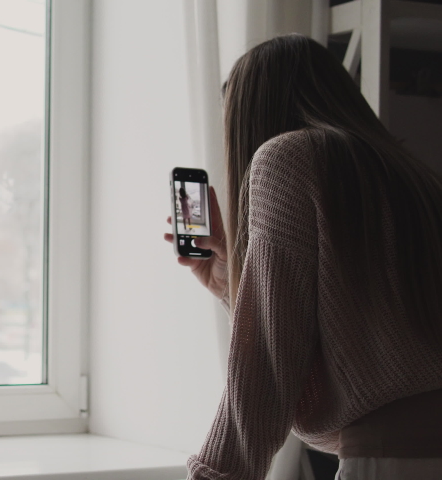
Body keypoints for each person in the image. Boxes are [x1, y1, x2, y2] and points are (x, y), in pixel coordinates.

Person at [165, 34, 442, 479]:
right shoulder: (412, 176)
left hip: (392, 463)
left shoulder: (286, 158)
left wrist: (217, 474)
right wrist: (228, 283)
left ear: (251, 117)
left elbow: (269, 369)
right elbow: (354, 328)